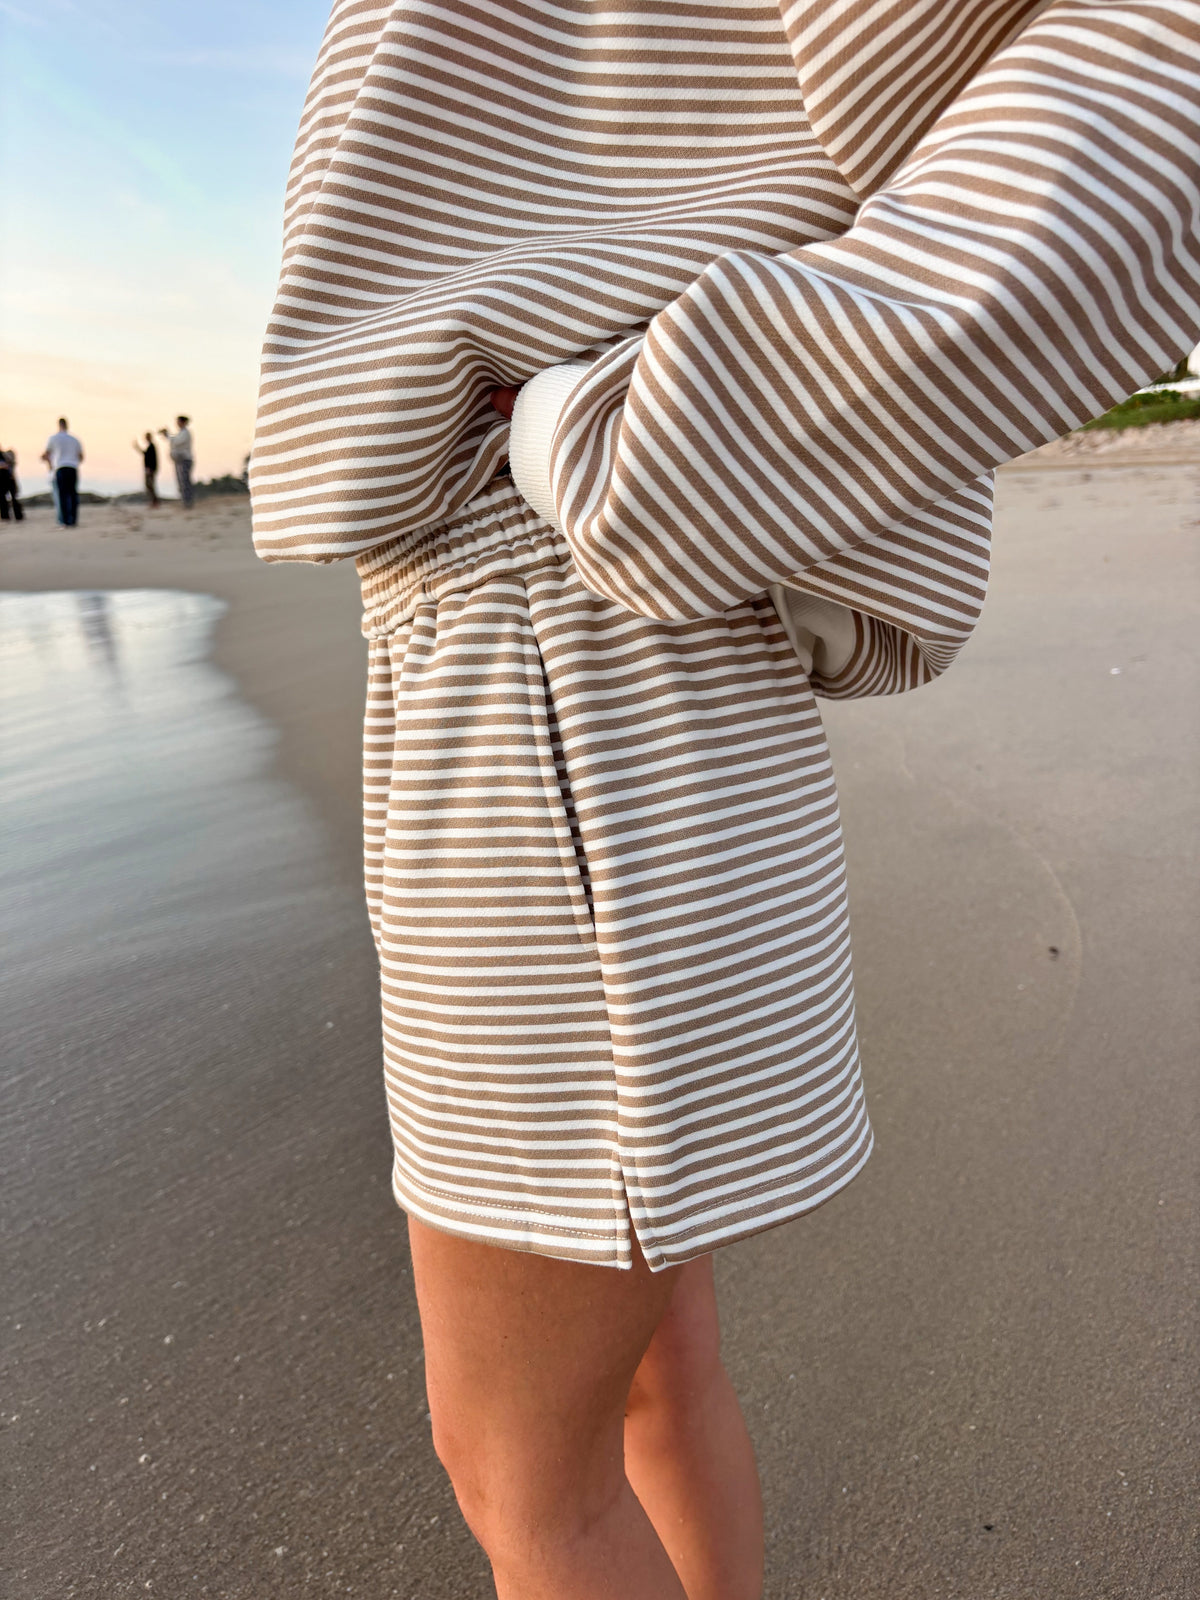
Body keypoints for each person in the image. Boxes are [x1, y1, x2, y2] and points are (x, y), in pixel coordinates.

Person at [250, 4, 1200, 1595]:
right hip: (564, 652)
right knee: (645, 1371)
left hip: (545, 649)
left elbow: (1160, 62)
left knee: (519, 1470)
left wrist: (641, 441)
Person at [41, 419, 83, 527]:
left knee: (62, 495)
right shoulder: (75, 439)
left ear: (59, 425)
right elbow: (81, 456)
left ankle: (64, 521)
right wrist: (75, 462)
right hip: (73, 468)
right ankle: (73, 520)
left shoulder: (53, 438)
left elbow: (46, 454)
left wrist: (49, 464)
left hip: (60, 467)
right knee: (73, 494)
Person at [159, 416, 194, 508]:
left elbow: (176, 442)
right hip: (179, 461)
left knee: (185, 481)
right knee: (181, 481)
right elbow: (174, 440)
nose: (177, 424)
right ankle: (185, 500)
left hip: (185, 460)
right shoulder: (181, 433)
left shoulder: (186, 433)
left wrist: (167, 435)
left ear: (183, 422)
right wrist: (167, 435)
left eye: (178, 422)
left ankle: (188, 502)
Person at [133, 433, 159, 508]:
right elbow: (145, 454)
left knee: (150, 485)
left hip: (150, 469)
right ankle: (154, 501)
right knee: (149, 485)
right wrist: (137, 447)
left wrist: (150, 469)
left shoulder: (152, 447)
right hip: (150, 469)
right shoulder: (150, 447)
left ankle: (155, 501)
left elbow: (151, 459)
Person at [0, 446, 22, 522]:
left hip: (9, 478)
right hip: (4, 479)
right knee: (3, 499)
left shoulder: (6, 455)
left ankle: (17, 515)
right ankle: (5, 516)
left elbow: (12, 464)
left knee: (13, 497)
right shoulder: (6, 455)